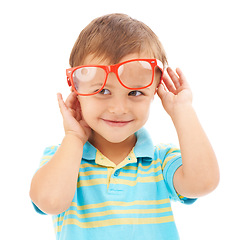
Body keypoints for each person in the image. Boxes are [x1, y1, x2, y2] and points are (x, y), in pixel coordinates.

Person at [29, 13, 220, 240]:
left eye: (135, 92)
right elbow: (49, 201)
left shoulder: (160, 161)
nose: (119, 108)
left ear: (154, 94)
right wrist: (73, 137)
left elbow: (204, 182)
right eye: (103, 91)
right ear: (77, 93)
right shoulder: (63, 159)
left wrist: (182, 110)